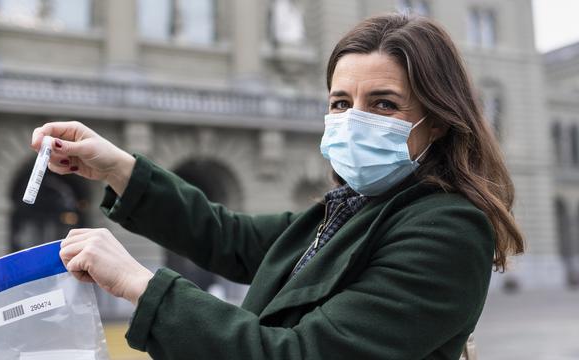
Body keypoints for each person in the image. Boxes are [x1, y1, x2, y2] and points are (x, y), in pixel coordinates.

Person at [31, 13, 524, 360]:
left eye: (383, 104)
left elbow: (304, 354)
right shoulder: (353, 208)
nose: (352, 120)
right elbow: (231, 238)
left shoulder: (448, 227)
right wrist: (117, 166)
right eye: (339, 102)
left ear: (438, 121)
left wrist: (140, 284)